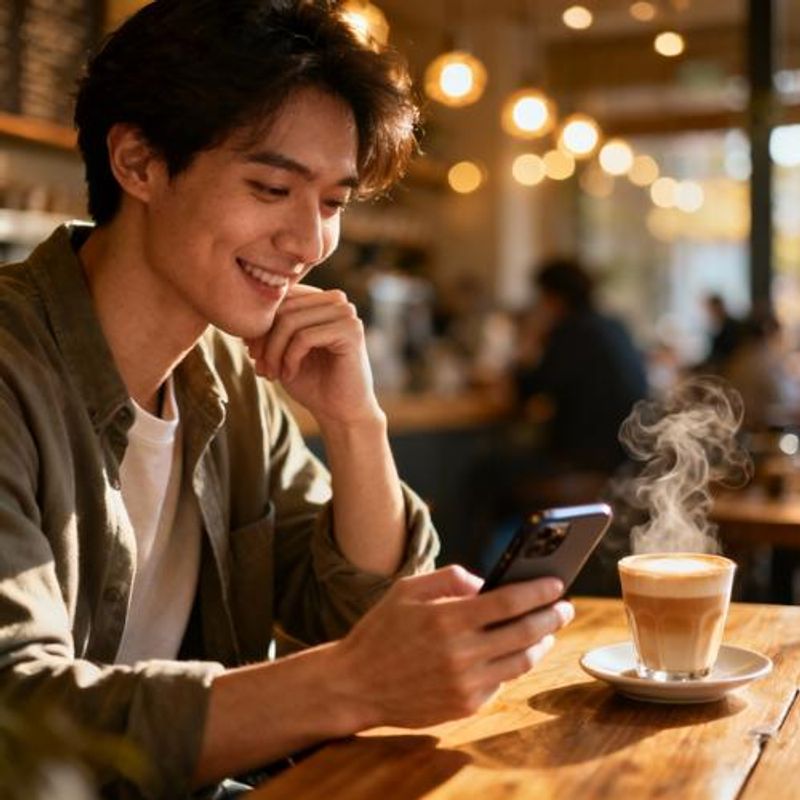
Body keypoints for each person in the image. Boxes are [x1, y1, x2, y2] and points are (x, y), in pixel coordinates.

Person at [0, 2, 573, 798]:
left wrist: (354, 421)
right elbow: (18, 719)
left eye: (333, 203)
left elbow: (355, 614)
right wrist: (353, 682)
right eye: (273, 187)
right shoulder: (14, 369)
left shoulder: (224, 375)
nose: (309, 245)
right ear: (138, 162)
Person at [514, 258, 649, 473]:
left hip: (584, 458)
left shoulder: (571, 331)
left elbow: (530, 389)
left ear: (554, 297)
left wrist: (530, 339)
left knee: (487, 470)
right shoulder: (614, 325)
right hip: (627, 454)